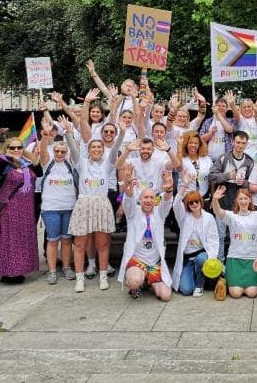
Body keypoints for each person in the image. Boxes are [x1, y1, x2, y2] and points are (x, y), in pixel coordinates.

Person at [65, 90, 124, 293]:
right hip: (84, 203)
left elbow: (115, 147)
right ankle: (80, 278)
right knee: (80, 243)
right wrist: (86, 104)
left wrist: (122, 132)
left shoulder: (107, 164)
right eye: (94, 147)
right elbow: (75, 142)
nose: (97, 149)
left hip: (101, 203)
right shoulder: (81, 163)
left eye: (100, 147)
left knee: (102, 244)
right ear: (89, 150)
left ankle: (102, 276)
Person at [0, 127, 42, 284]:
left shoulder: (27, 166)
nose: (16, 150)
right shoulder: (2, 164)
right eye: (13, 148)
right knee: (8, 240)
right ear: (6, 149)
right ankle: (7, 272)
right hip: (8, 209)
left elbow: (39, 170)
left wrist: (25, 153)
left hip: (25, 210)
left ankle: (21, 269)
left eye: (19, 147)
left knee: (23, 240)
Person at [211, 186, 257, 298]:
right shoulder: (231, 216)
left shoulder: (256, 215)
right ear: (237, 201)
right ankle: (225, 280)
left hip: (252, 260)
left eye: (245, 198)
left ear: (250, 200)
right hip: (234, 259)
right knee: (236, 294)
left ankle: (246, 280)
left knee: (251, 293)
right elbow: (217, 211)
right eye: (241, 199)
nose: (243, 201)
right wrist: (215, 200)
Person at [118, 169, 173, 301]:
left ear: (155, 201)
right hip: (137, 261)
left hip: (155, 263)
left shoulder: (160, 214)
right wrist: (129, 184)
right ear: (140, 199)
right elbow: (129, 199)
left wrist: (169, 188)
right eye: (145, 197)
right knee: (134, 280)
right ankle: (136, 283)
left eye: (151, 198)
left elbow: (166, 201)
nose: (148, 200)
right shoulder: (133, 213)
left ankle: (147, 280)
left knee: (165, 296)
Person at [38, 117, 78, 284]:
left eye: (63, 152)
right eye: (57, 151)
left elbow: (75, 148)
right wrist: (47, 135)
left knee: (67, 240)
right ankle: (52, 270)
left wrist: (69, 131)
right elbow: (42, 151)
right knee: (53, 240)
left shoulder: (71, 164)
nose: (60, 154)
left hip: (69, 207)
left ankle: (67, 267)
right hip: (51, 208)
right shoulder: (48, 163)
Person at [208, 131, 255, 261]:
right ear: (233, 142)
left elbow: (252, 183)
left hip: (240, 205)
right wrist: (227, 176)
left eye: (243, 143)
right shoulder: (223, 158)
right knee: (220, 235)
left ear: (246, 144)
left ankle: (236, 260)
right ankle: (220, 263)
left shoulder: (250, 162)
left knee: (238, 236)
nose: (240, 145)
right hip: (223, 202)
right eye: (238, 142)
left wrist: (244, 183)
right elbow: (211, 176)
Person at [171, 171, 220, 296]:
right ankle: (192, 276)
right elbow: (176, 203)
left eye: (196, 201)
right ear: (187, 205)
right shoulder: (184, 217)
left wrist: (212, 259)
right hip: (188, 259)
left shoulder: (208, 218)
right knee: (186, 290)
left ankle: (199, 285)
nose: (194, 204)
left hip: (201, 256)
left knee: (202, 258)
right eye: (190, 203)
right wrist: (185, 185)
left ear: (200, 202)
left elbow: (214, 240)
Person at [226, 90, 257, 161]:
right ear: (241, 109)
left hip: (256, 155)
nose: (247, 109)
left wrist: (256, 111)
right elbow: (236, 115)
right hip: (242, 154)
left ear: (252, 107)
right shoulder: (240, 118)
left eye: (249, 106)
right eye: (244, 107)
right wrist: (232, 104)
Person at [199, 97, 235, 162]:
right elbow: (201, 139)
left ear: (227, 109)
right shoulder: (208, 121)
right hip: (208, 158)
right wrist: (210, 133)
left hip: (225, 159)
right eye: (219, 105)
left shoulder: (230, 121)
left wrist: (218, 114)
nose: (221, 108)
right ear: (215, 107)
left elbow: (229, 130)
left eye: (223, 106)